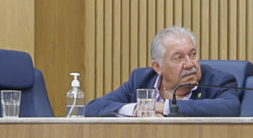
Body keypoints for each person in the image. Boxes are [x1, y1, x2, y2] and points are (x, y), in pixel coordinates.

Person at [85, 26, 241, 117]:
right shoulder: (141, 79)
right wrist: (136, 110)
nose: (189, 64)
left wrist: (165, 107)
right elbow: (93, 108)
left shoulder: (217, 80)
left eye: (193, 54)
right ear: (158, 67)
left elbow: (230, 107)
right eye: (178, 58)